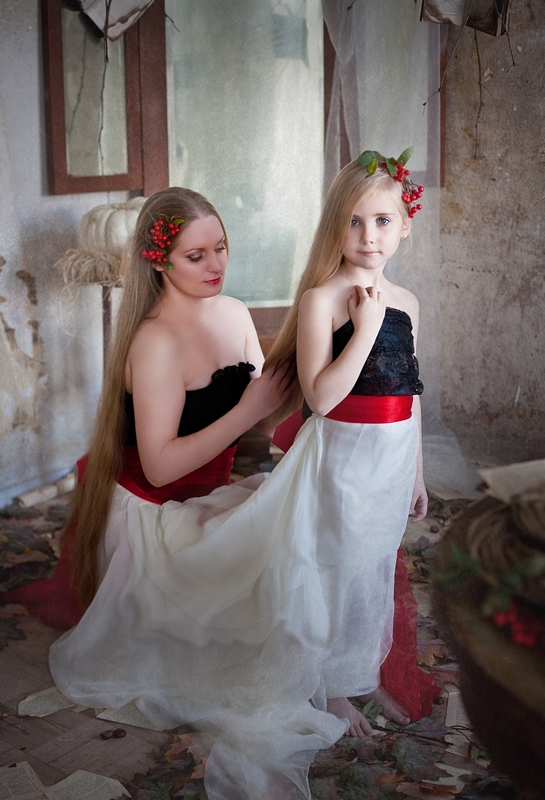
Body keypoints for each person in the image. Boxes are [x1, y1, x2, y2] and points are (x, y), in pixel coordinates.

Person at [8, 163, 436, 798]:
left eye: (221, 248)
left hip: (214, 495)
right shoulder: (154, 342)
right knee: (255, 611)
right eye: (195, 255)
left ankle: (335, 666)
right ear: (160, 263)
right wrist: (253, 407)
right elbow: (163, 466)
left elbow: (278, 415)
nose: (216, 266)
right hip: (157, 512)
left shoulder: (234, 313)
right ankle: (311, 674)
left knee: (299, 540)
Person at [264, 147, 430, 737]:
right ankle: (331, 688)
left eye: (382, 220)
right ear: (334, 228)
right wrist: (363, 331)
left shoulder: (407, 302)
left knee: (374, 565)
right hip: (341, 459)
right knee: (337, 568)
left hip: (391, 460)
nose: (368, 236)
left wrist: (417, 473)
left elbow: (410, 393)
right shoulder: (323, 300)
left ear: (404, 226)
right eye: (353, 221)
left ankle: (363, 671)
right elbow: (322, 397)